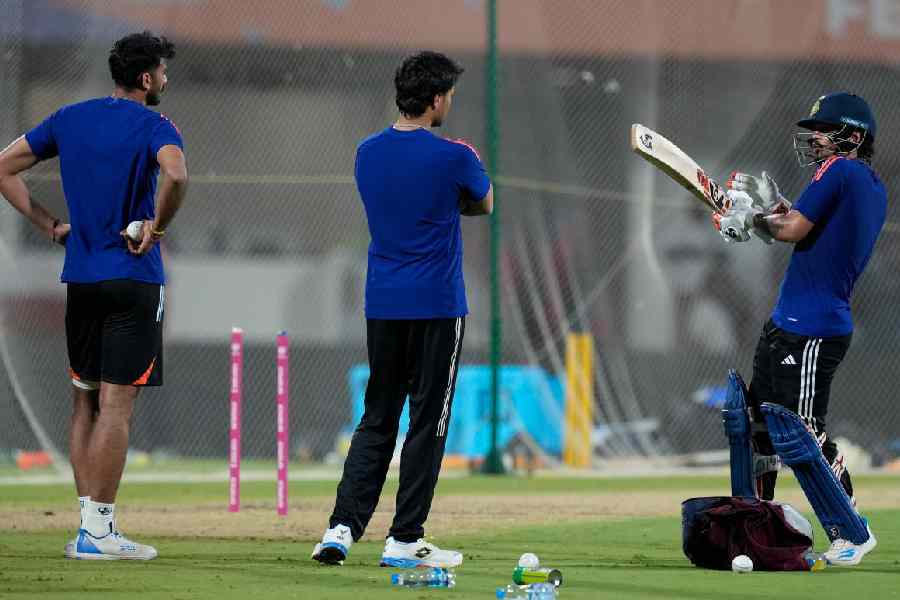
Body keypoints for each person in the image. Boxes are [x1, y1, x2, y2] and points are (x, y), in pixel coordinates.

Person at [0, 31, 187, 560]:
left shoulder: (69, 117)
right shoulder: (156, 124)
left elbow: (3, 167)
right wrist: (158, 226)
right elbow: (176, 172)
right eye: (164, 73)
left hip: (80, 277)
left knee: (83, 397)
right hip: (133, 277)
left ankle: (88, 526)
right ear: (147, 78)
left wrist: (48, 225)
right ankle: (100, 533)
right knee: (117, 405)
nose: (166, 81)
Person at [312, 51, 493, 568]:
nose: (450, 103)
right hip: (437, 305)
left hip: (384, 304)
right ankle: (405, 538)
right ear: (436, 99)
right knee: (427, 422)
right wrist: (449, 201)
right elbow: (484, 203)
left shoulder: (367, 153)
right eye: (449, 96)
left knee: (377, 418)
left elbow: (395, 206)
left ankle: (341, 530)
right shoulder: (455, 155)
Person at [714, 92, 885, 566]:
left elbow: (792, 231)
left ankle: (851, 528)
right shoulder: (865, 182)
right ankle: (760, 520)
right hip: (790, 322)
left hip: (812, 328)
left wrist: (750, 219)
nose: (813, 139)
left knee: (799, 434)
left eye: (823, 130)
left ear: (852, 137)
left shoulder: (841, 170)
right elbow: (805, 226)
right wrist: (771, 211)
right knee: (759, 428)